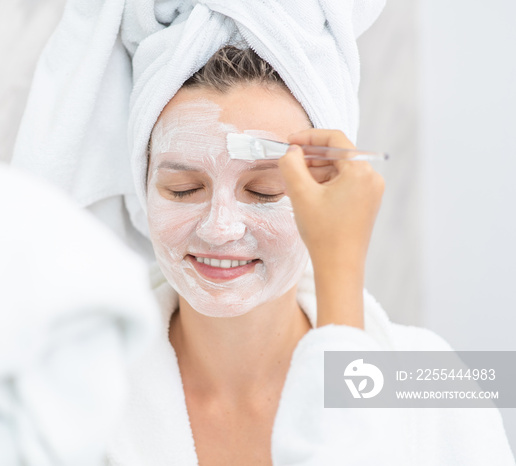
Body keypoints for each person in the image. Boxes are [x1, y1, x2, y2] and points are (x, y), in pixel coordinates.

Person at [104, 47, 515, 466]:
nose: (219, 228)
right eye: (183, 189)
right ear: (144, 191)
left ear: (327, 192)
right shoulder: (75, 389)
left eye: (264, 190)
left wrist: (340, 262)